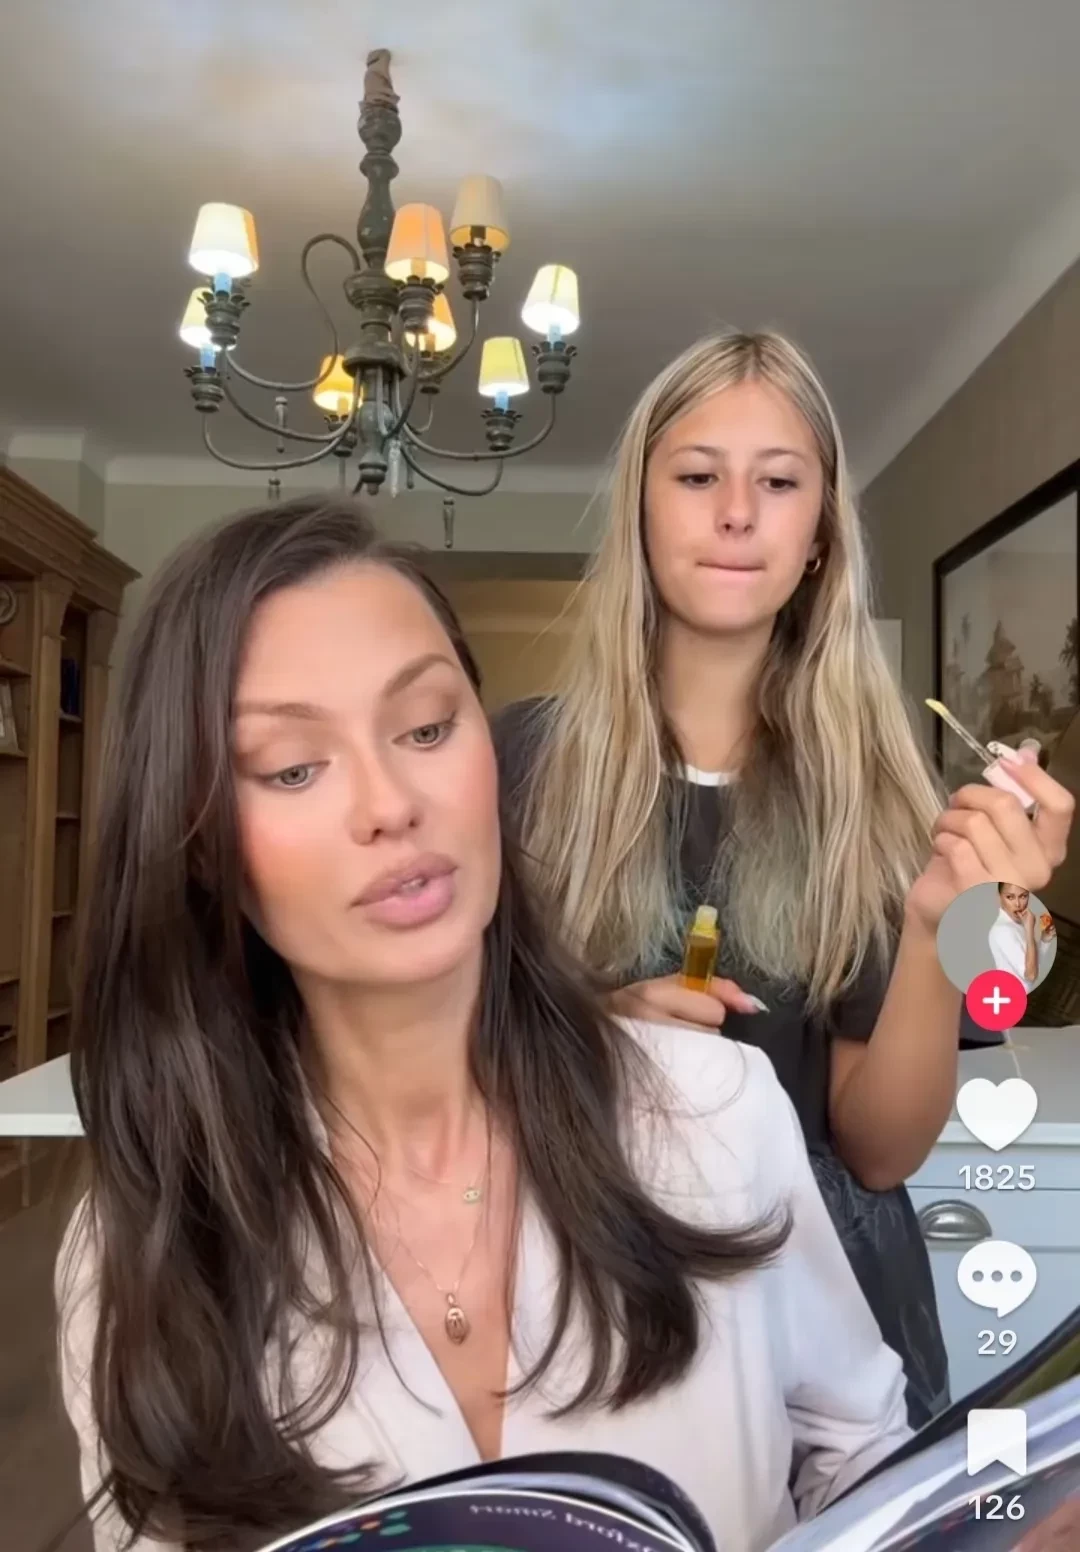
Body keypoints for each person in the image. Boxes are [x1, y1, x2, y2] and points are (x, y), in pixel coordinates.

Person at [56, 497, 913, 1552]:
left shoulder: (715, 1110)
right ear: (198, 844)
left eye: (426, 728)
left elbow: (861, 1454)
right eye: (292, 767)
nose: (390, 803)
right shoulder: (145, 1250)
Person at [492, 330, 1075, 1428]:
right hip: (586, 1281)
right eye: (697, 476)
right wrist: (591, 1031)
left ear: (818, 539)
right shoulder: (513, 763)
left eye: (778, 482)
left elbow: (879, 1151)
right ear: (641, 514)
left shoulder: (886, 798)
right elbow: (426, 1064)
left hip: (830, 1309)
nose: (736, 513)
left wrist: (936, 931)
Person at [989, 882, 1057, 990]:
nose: (1017, 904)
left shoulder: (1016, 924)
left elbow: (1033, 963)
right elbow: (1030, 975)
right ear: (999, 897)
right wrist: (1029, 930)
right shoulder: (1003, 930)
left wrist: (1044, 940)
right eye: (1010, 897)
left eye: (1023, 896)